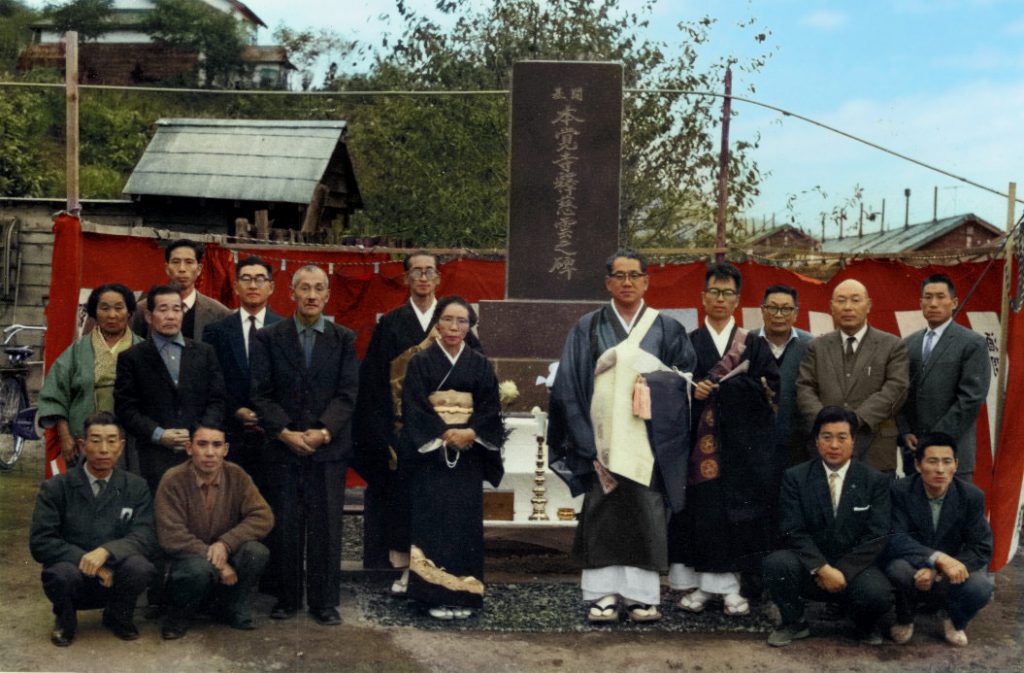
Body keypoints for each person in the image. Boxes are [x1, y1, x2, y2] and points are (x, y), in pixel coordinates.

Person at [547, 249, 695, 623]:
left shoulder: (667, 328)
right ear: (607, 282)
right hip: (602, 440)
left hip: (649, 441)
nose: (627, 282)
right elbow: (568, 385)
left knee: (646, 512)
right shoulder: (588, 327)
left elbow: (685, 381)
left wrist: (656, 379)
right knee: (604, 512)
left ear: (647, 280)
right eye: (619, 276)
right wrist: (586, 439)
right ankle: (603, 594)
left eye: (634, 275)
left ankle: (642, 596)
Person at [354, 251, 482, 578]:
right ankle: (402, 572)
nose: (423, 278)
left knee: (441, 505)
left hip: (446, 432)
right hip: (403, 432)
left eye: (429, 271)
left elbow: (476, 373)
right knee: (402, 502)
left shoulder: (453, 320)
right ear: (406, 279)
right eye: (416, 272)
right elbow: (373, 384)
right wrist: (385, 434)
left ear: (439, 278)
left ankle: (440, 572)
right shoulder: (392, 323)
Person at [669, 263, 780, 617]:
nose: (720, 298)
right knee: (701, 512)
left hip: (739, 448)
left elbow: (770, 391)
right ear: (702, 298)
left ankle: (734, 589)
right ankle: (702, 587)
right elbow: (672, 387)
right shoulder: (687, 343)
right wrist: (693, 391)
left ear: (737, 300)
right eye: (714, 292)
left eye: (728, 292)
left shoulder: (755, 345)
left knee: (736, 514)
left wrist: (730, 389)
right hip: (698, 447)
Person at [250, 265, 358, 626]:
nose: (311, 295)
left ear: (327, 296)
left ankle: (324, 602)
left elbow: (347, 394)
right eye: (304, 288)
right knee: (286, 524)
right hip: (283, 448)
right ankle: (287, 597)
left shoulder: (343, 338)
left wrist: (323, 431)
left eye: (318, 289)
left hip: (327, 450)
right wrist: (284, 432)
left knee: (326, 527)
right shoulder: (269, 337)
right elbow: (260, 395)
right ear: (291, 293)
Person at [398, 296, 504, 619]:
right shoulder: (420, 362)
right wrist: (445, 432)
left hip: (468, 455)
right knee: (433, 523)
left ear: (470, 326)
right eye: (448, 320)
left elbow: (490, 409)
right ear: (437, 324)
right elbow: (414, 407)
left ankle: (464, 596)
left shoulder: (480, 364)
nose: (454, 327)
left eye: (462, 321)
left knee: (464, 525)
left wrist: (470, 432)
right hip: (433, 456)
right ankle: (431, 595)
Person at [762, 406, 893, 647]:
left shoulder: (874, 481)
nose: (834, 445)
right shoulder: (796, 477)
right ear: (816, 441)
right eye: (827, 437)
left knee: (878, 594)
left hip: (852, 570)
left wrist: (841, 571)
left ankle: (862, 625)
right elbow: (793, 529)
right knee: (777, 563)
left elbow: (877, 534)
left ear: (853, 441)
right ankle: (794, 623)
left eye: (842, 437)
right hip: (812, 567)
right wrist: (821, 568)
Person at [29, 412, 157, 646]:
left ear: (121, 446)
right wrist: (87, 561)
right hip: (74, 573)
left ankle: (118, 616)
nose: (104, 449)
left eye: (111, 441)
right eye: (96, 440)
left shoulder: (136, 487)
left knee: (141, 567)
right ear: (82, 444)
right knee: (59, 575)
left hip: (115, 573)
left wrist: (107, 552)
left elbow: (145, 535)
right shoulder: (56, 487)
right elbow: (41, 541)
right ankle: (65, 620)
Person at [155, 425, 274, 639]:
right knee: (198, 569)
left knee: (256, 551)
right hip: (188, 562)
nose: (210, 452)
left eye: (217, 445)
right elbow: (170, 534)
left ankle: (231, 605)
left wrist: (226, 544)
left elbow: (263, 516)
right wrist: (218, 561)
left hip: (223, 554)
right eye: (202, 444)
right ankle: (179, 615)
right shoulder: (173, 479)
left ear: (225, 450)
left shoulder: (236, 475)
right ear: (189, 448)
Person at [115, 284, 227, 494]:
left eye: (176, 309)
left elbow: (217, 401)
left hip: (199, 454)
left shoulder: (204, 353)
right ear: (149, 316)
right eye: (163, 309)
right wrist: (159, 434)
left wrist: (196, 436)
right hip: (154, 456)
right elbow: (126, 409)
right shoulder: (132, 358)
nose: (171, 316)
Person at [886, 433, 994, 647]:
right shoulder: (899, 490)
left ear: (956, 465)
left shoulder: (971, 496)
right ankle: (905, 618)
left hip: (950, 566)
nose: (940, 469)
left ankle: (954, 618)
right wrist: (934, 559)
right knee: (898, 569)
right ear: (918, 465)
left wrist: (939, 568)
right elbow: (895, 538)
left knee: (981, 585)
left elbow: (981, 547)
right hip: (913, 563)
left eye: (947, 461)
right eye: (932, 461)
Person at [796, 278, 909, 473]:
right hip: (825, 448)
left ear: (868, 305)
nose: (848, 307)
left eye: (855, 300)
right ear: (831, 307)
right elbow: (804, 387)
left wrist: (856, 419)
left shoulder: (892, 345)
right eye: (841, 301)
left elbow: (897, 389)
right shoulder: (817, 346)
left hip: (875, 447)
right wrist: (828, 423)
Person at [37, 283, 143, 471]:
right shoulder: (77, 351)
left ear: (129, 312)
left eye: (119, 308)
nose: (112, 315)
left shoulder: (143, 349)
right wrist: (65, 436)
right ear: (94, 312)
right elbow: (55, 395)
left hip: (130, 444)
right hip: (84, 442)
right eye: (104, 308)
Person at [898, 274, 991, 480]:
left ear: (954, 302)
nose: (933, 303)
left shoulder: (971, 343)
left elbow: (971, 399)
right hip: (915, 455)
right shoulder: (908, 344)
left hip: (952, 453)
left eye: (940, 297)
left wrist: (933, 439)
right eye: (928, 297)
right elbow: (899, 393)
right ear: (920, 303)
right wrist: (905, 432)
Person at [203, 256, 284, 483]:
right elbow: (211, 381)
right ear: (236, 286)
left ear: (271, 287)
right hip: (231, 432)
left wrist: (268, 416)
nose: (252, 285)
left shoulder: (285, 329)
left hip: (274, 436)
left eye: (260, 279)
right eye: (246, 279)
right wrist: (236, 410)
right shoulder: (216, 331)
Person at [755, 284, 814, 466]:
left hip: (800, 448)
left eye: (786, 309)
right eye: (772, 308)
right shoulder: (746, 343)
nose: (779, 315)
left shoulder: (811, 346)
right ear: (763, 310)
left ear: (796, 313)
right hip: (757, 447)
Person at [131, 239, 231, 341]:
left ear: (199, 269)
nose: (182, 268)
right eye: (176, 262)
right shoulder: (143, 309)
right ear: (167, 268)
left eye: (189, 262)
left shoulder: (219, 313)